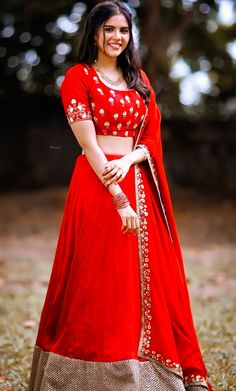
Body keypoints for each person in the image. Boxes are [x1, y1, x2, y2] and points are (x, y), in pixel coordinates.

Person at [28, 1, 214, 390]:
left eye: (123, 30)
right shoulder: (78, 78)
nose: (117, 37)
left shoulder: (138, 78)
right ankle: (86, 373)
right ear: (94, 33)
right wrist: (118, 197)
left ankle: (144, 372)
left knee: (140, 282)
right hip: (97, 186)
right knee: (99, 278)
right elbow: (90, 144)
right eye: (109, 29)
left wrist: (129, 160)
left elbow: (148, 140)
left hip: (138, 181)